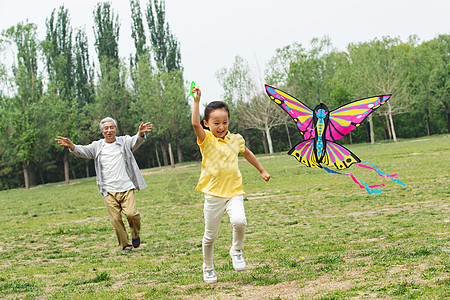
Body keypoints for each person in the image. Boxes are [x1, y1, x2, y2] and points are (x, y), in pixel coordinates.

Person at [191, 87, 270, 283]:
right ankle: (208, 267)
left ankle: (236, 250)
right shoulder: (206, 139)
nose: (221, 126)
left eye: (224, 122)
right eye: (216, 123)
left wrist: (261, 170)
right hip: (213, 195)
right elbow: (194, 123)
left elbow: (248, 154)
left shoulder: (236, 139)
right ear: (206, 123)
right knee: (210, 236)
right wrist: (196, 101)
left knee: (240, 221)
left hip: (234, 192)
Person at [55, 117, 153, 253]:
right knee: (116, 220)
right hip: (109, 190)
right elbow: (83, 150)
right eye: (106, 128)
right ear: (102, 131)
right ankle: (125, 246)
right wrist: (72, 146)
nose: (109, 130)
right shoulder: (97, 146)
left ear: (116, 129)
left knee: (132, 214)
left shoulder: (124, 141)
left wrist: (140, 133)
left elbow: (135, 140)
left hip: (126, 188)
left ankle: (135, 234)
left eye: (111, 127)